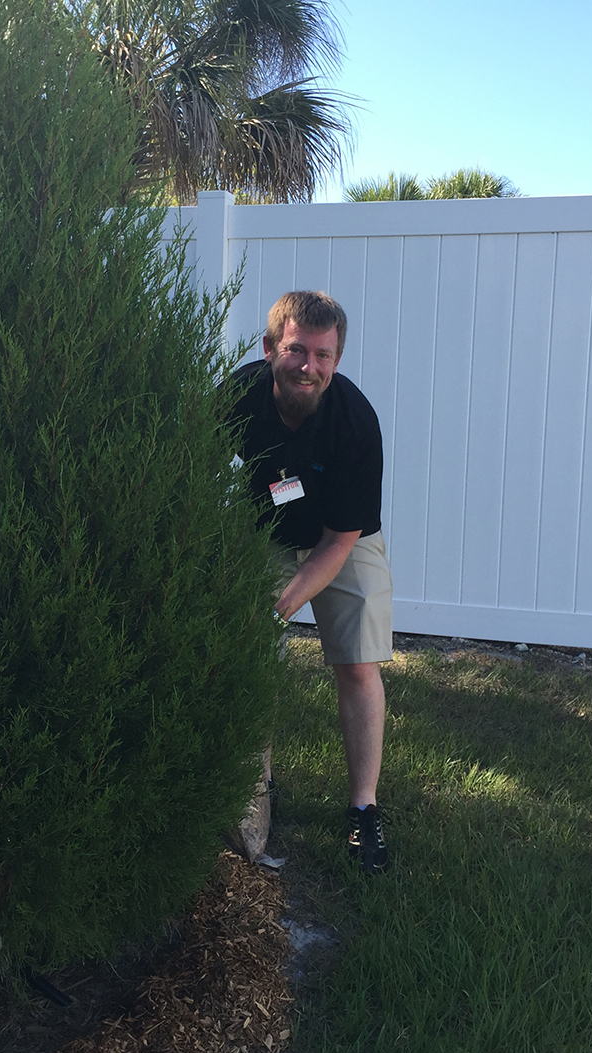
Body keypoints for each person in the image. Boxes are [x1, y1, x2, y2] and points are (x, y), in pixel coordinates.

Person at [227, 291, 393, 873]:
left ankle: (363, 811)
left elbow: (339, 541)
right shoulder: (238, 396)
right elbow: (191, 465)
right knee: (250, 659)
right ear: (271, 348)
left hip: (342, 539)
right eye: (297, 350)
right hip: (267, 530)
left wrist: (278, 607)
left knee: (357, 664)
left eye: (324, 355)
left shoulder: (355, 421)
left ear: (337, 360)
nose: (309, 366)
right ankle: (254, 792)